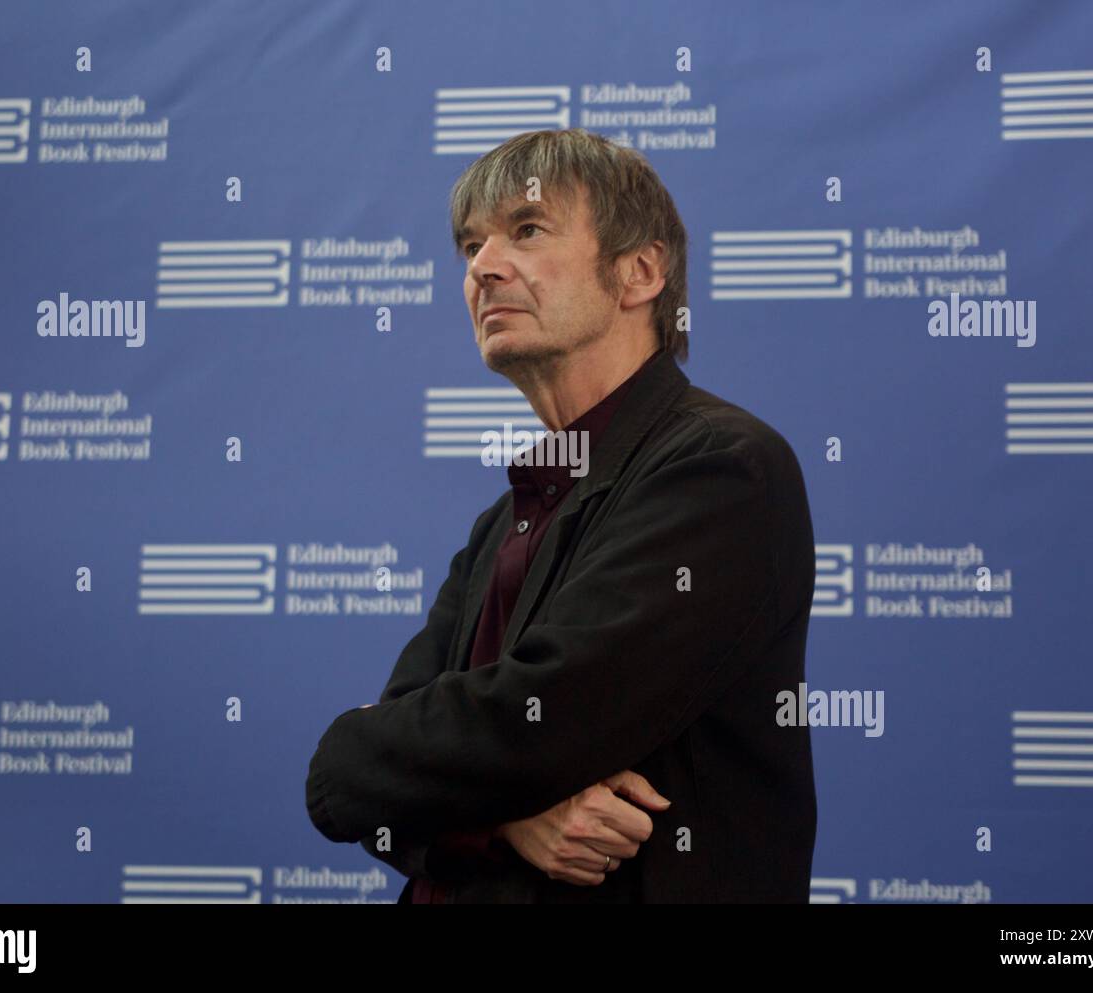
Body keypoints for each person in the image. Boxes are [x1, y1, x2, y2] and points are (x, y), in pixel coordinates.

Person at [306, 128, 817, 903]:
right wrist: (505, 819)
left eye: (528, 230)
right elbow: (359, 781)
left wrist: (374, 750)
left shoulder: (722, 468)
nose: (482, 266)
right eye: (471, 245)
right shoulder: (501, 521)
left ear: (640, 271)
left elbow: (539, 727)